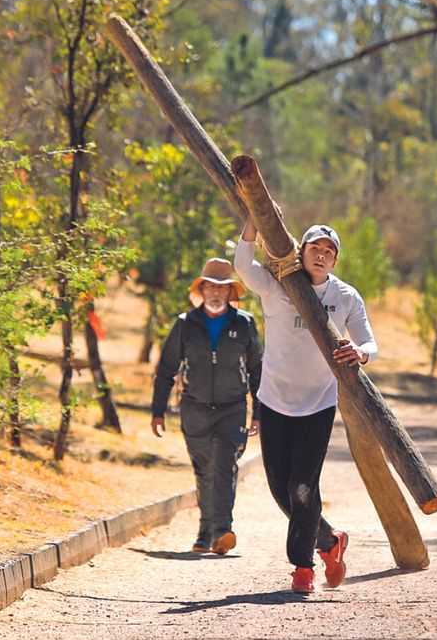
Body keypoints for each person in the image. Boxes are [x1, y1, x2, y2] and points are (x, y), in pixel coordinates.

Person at [234, 220, 378, 593]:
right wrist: (252, 227)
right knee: (282, 490)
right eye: (315, 247)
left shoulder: (346, 297)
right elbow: (243, 267)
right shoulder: (276, 285)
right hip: (274, 400)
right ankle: (330, 541)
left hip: (317, 404)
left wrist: (359, 352)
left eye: (329, 251)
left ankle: (303, 568)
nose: (321, 254)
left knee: (302, 486)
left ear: (334, 260)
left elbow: (369, 343)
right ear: (302, 251)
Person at [151, 258, 262, 555]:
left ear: (230, 294)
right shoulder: (185, 324)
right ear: (202, 290)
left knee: (224, 465)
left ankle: (222, 530)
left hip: (232, 408)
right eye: (210, 287)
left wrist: (259, 412)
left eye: (222, 288)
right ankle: (206, 529)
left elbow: (258, 370)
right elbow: (165, 369)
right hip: (194, 408)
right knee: (204, 470)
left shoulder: (244, 324)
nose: (215, 293)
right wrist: (157, 410)